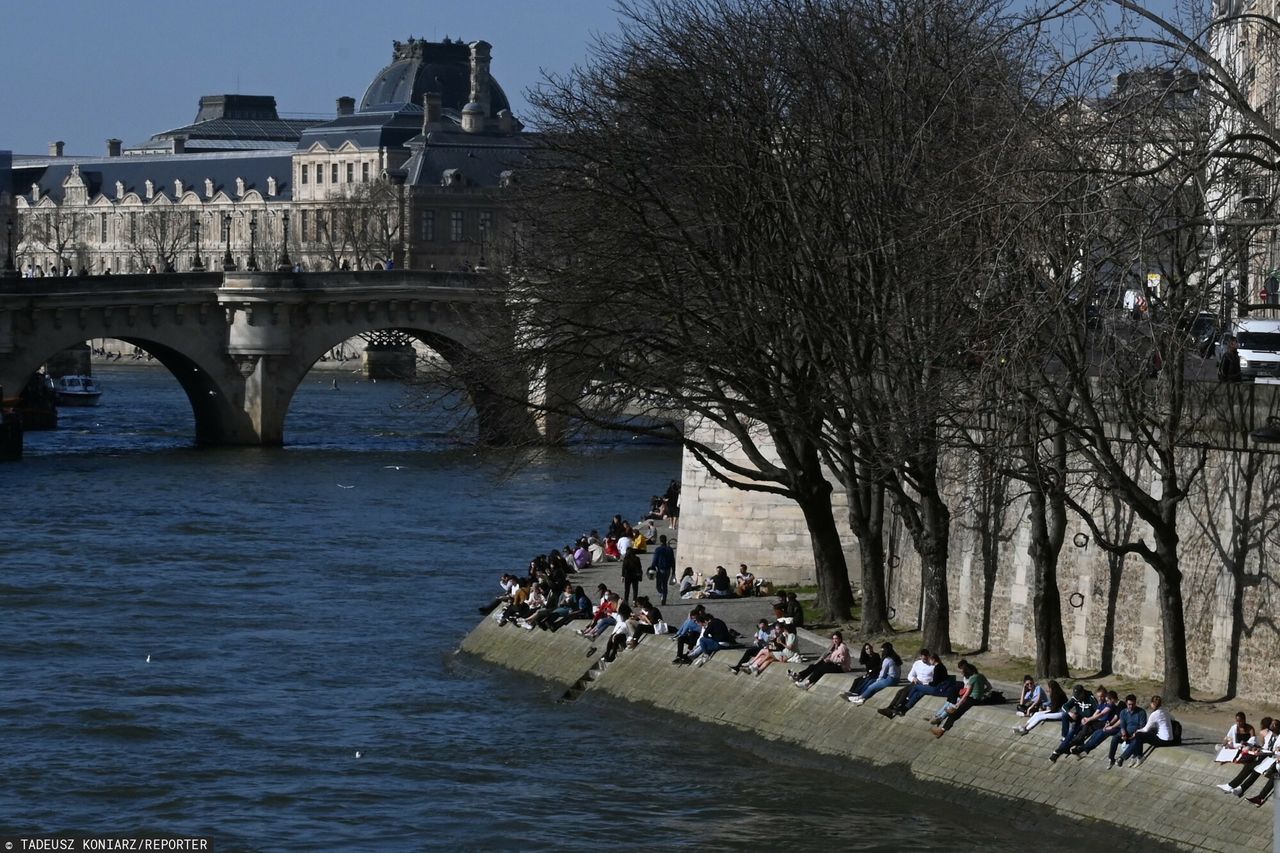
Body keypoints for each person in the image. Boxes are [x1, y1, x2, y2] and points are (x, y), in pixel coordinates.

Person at [1218, 716, 1274, 798]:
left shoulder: (1267, 733)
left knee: (1254, 768)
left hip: (1271, 758)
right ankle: (1236, 787)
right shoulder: (1271, 735)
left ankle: (1238, 787)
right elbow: (1265, 746)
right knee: (1252, 767)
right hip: (1266, 755)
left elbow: (1270, 748)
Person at [931, 660, 991, 737]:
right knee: (955, 710)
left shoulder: (972, 678)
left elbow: (967, 693)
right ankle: (950, 710)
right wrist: (981, 692)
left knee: (955, 714)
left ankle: (941, 730)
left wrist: (958, 703)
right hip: (978, 699)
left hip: (972, 699)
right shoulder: (981, 676)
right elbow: (989, 687)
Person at [1116, 695, 1175, 766]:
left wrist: (1136, 732)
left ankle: (1135, 757)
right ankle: (1135, 756)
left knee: (1138, 735)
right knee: (1139, 738)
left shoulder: (1154, 714)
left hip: (1163, 741)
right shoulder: (1165, 711)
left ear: (1152, 704)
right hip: (1170, 739)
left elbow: (1145, 729)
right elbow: (1173, 718)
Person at [877, 649, 935, 718]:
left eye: (926, 659)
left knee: (905, 692)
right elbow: (909, 675)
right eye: (923, 659)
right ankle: (890, 708)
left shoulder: (932, 666)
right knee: (900, 692)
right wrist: (913, 679)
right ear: (920, 657)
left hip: (925, 685)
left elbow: (935, 679)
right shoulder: (917, 663)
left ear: (928, 656)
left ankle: (894, 709)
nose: (924, 660)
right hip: (916, 683)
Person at [651, 535, 675, 605]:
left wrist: (652, 567)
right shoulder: (670, 549)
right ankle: (664, 597)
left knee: (658, 585)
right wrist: (673, 570)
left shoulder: (658, 549)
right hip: (668, 569)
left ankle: (662, 594)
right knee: (665, 584)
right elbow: (672, 560)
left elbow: (655, 559)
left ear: (660, 541)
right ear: (666, 540)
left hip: (660, 569)